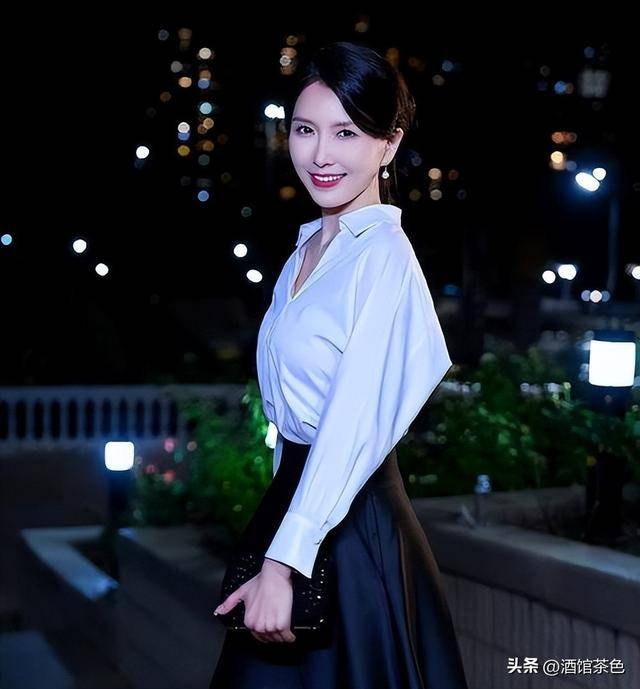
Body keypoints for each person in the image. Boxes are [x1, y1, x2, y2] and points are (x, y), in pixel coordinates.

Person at [209, 40, 469, 689]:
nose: (320, 154)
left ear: (389, 143)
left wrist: (283, 563)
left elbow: (351, 423)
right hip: (297, 510)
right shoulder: (305, 252)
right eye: (305, 130)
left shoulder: (384, 256)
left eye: (346, 132)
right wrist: (276, 536)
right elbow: (290, 421)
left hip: (350, 527)